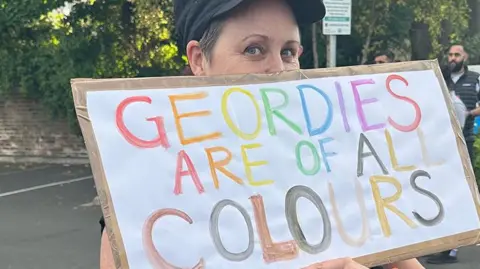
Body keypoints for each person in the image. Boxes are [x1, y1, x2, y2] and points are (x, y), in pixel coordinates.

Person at [100, 0, 425, 268]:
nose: (278, 69)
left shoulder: (337, 166)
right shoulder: (145, 194)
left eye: (288, 51)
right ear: (199, 59)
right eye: (254, 49)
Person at [426, 46, 474, 265]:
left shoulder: (459, 95)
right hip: (443, 153)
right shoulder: (445, 95)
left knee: (455, 197)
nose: (453, 58)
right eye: (451, 55)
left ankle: (452, 247)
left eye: (457, 54)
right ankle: (446, 245)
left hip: (459, 151)